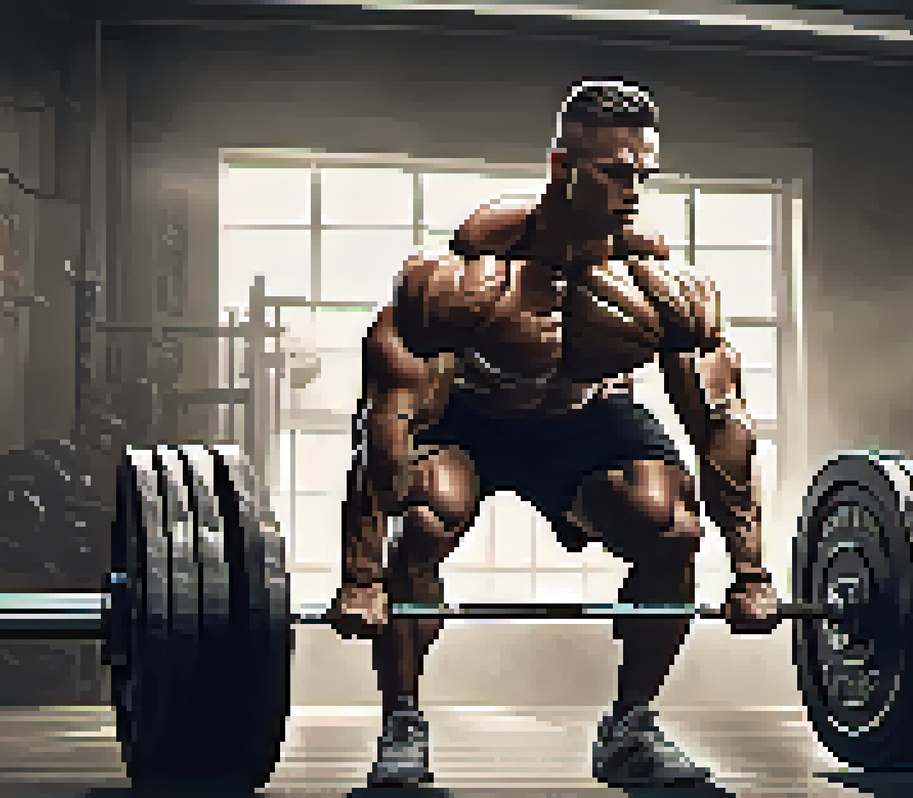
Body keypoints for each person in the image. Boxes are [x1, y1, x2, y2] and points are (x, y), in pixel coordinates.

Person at [326, 78, 782, 789]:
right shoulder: (464, 275)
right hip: (473, 416)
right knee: (423, 516)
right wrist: (360, 578)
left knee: (672, 528)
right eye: (615, 172)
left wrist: (751, 572)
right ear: (561, 165)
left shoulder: (658, 285)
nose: (633, 189)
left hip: (586, 420)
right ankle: (403, 726)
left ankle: (631, 729)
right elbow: (388, 417)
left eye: (643, 174)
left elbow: (720, 422)